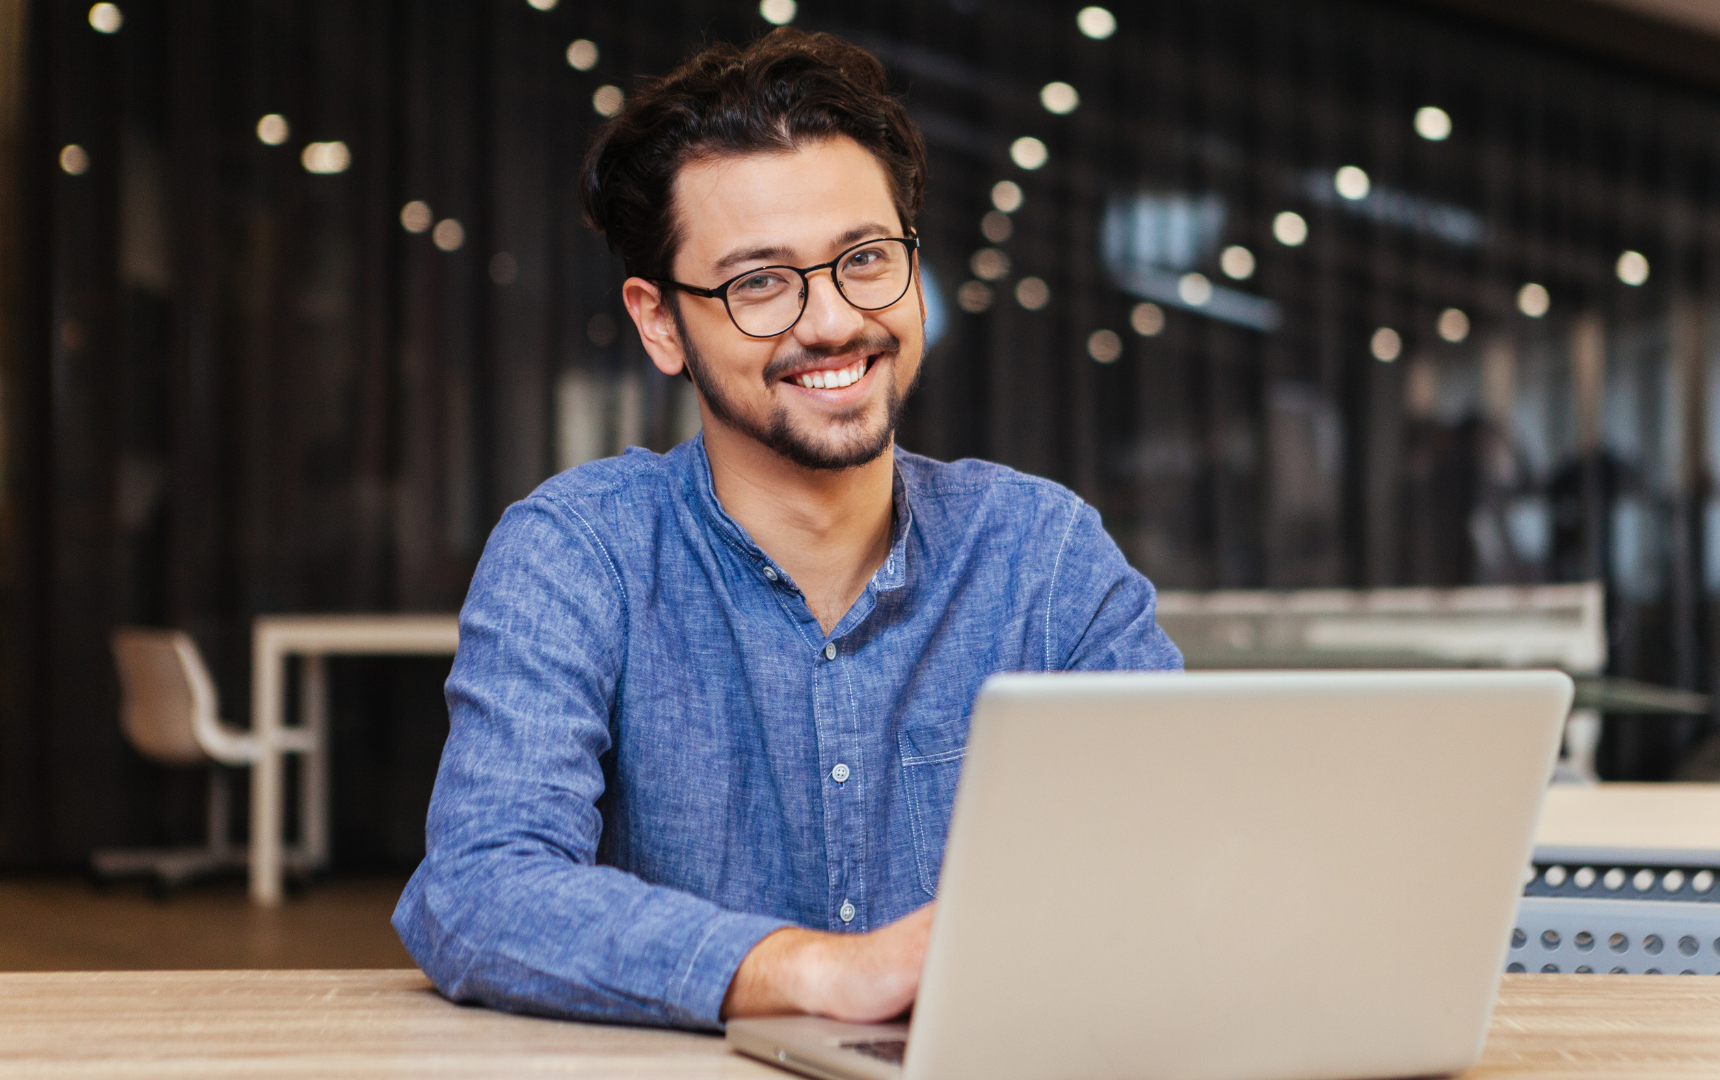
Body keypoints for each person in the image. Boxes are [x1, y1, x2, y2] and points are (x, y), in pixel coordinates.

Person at [393, 27, 1181, 1031]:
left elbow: (1178, 858)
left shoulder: (1042, 553)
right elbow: (478, 893)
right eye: (760, 281)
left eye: (864, 259)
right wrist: (810, 972)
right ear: (661, 323)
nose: (832, 321)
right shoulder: (577, 554)